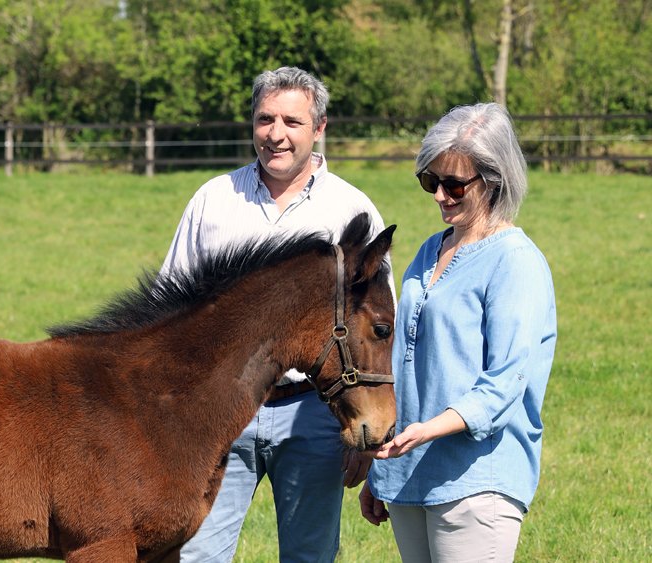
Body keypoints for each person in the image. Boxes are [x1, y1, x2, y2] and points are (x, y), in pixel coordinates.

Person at [161, 66, 392, 562]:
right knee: (197, 556)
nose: (276, 134)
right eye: (266, 119)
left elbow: (376, 330)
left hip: (314, 413)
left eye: (292, 121)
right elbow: (168, 314)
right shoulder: (214, 201)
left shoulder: (351, 210)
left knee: (310, 557)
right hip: (219, 412)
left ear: (319, 127)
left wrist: (365, 435)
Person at [360, 103, 557, 562]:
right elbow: (402, 360)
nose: (439, 195)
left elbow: (505, 382)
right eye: (431, 181)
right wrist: (380, 472)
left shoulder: (515, 262)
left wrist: (428, 430)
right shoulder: (429, 250)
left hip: (476, 479)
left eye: (453, 184)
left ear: (493, 180)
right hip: (408, 474)